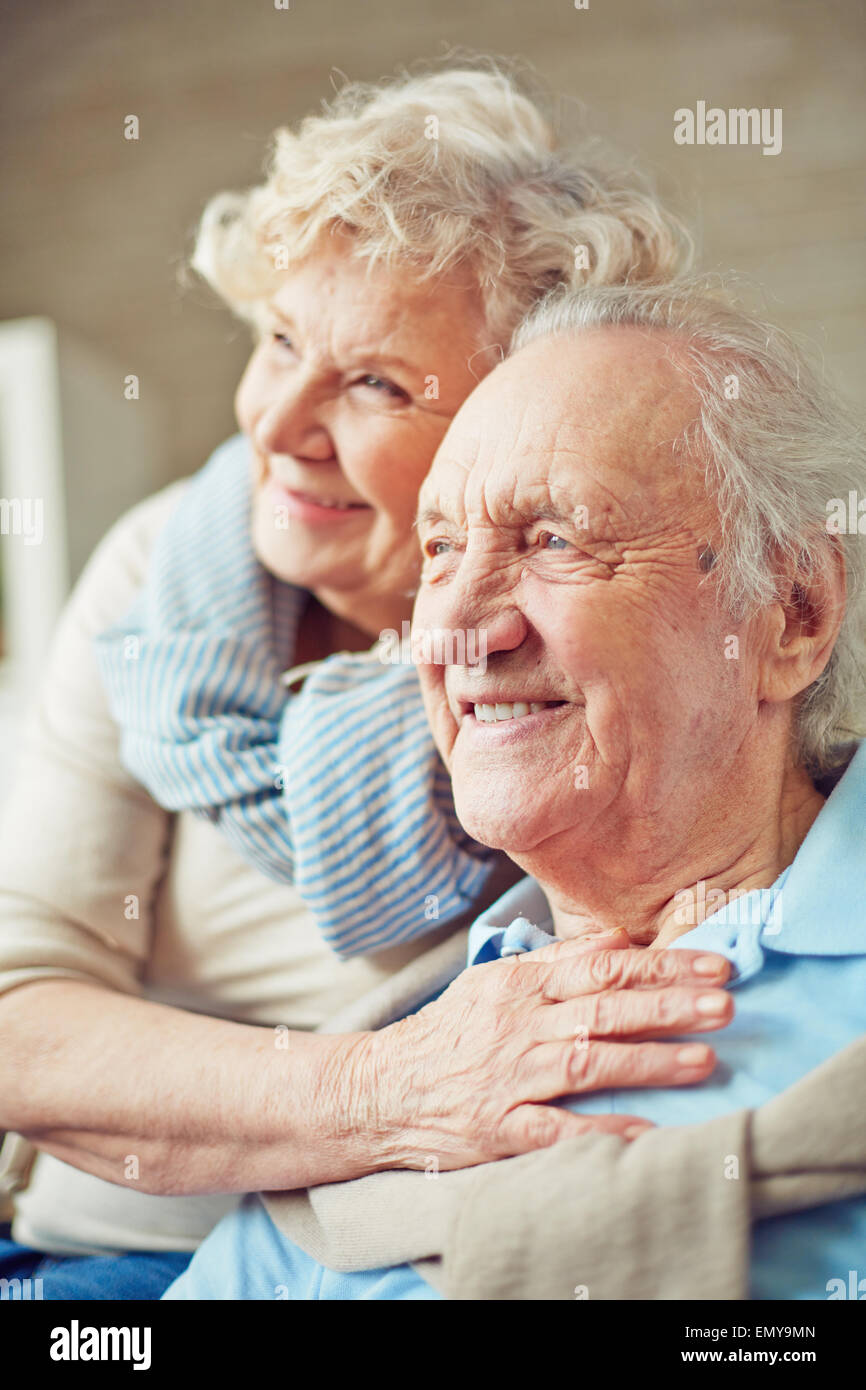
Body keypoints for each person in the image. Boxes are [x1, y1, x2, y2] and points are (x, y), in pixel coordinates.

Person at [0, 65, 707, 1299]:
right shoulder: (159, 574)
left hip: (408, 1257)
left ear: (517, 416)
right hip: (98, 1258)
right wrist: (382, 1091)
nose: (277, 423)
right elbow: (17, 1016)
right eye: (279, 341)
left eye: (374, 382)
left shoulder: (597, 639)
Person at [163, 278, 866, 1300]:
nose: (458, 628)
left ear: (792, 612)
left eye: (553, 540)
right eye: (441, 549)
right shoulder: (407, 1059)